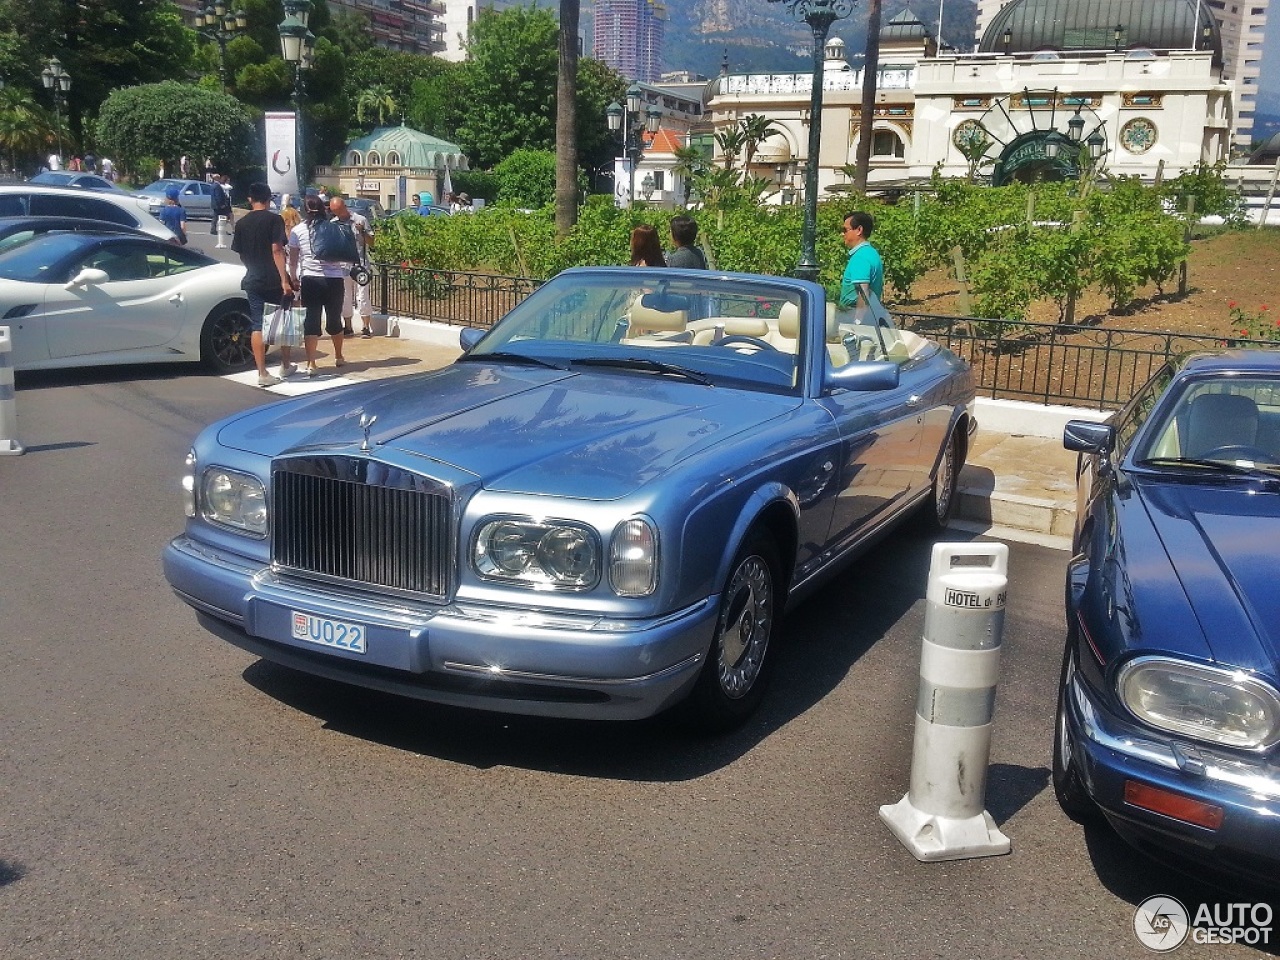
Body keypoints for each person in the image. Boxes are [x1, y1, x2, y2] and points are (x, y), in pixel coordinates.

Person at [232, 182, 295, 386]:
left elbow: (241, 253)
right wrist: (285, 280)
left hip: (253, 278)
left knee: (257, 324)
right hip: (273, 279)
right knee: (284, 321)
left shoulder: (241, 223)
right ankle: (285, 365)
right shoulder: (274, 220)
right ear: (269, 199)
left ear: (250, 199)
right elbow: (277, 250)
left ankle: (262, 372)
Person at [288, 194, 349, 377]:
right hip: (334, 279)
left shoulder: (297, 231)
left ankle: (311, 363)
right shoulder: (335, 228)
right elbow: (343, 254)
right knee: (334, 319)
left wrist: (294, 278)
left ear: (305, 211)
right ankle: (338, 356)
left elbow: (293, 260)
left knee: (311, 321)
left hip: (311, 279)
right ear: (324, 209)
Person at [328, 196, 374, 339]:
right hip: (342, 266)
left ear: (344, 207)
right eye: (334, 211)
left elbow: (372, 242)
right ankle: (348, 326)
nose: (337, 214)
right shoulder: (333, 224)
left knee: (362, 296)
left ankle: (366, 327)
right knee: (345, 297)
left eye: (339, 210)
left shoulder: (360, 219)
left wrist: (362, 232)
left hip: (360, 264)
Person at [839, 210, 884, 308]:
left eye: (845, 230)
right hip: (870, 315)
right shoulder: (871, 252)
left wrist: (857, 322)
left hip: (854, 317)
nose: (842, 234)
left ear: (859, 230)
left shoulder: (860, 257)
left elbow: (863, 295)